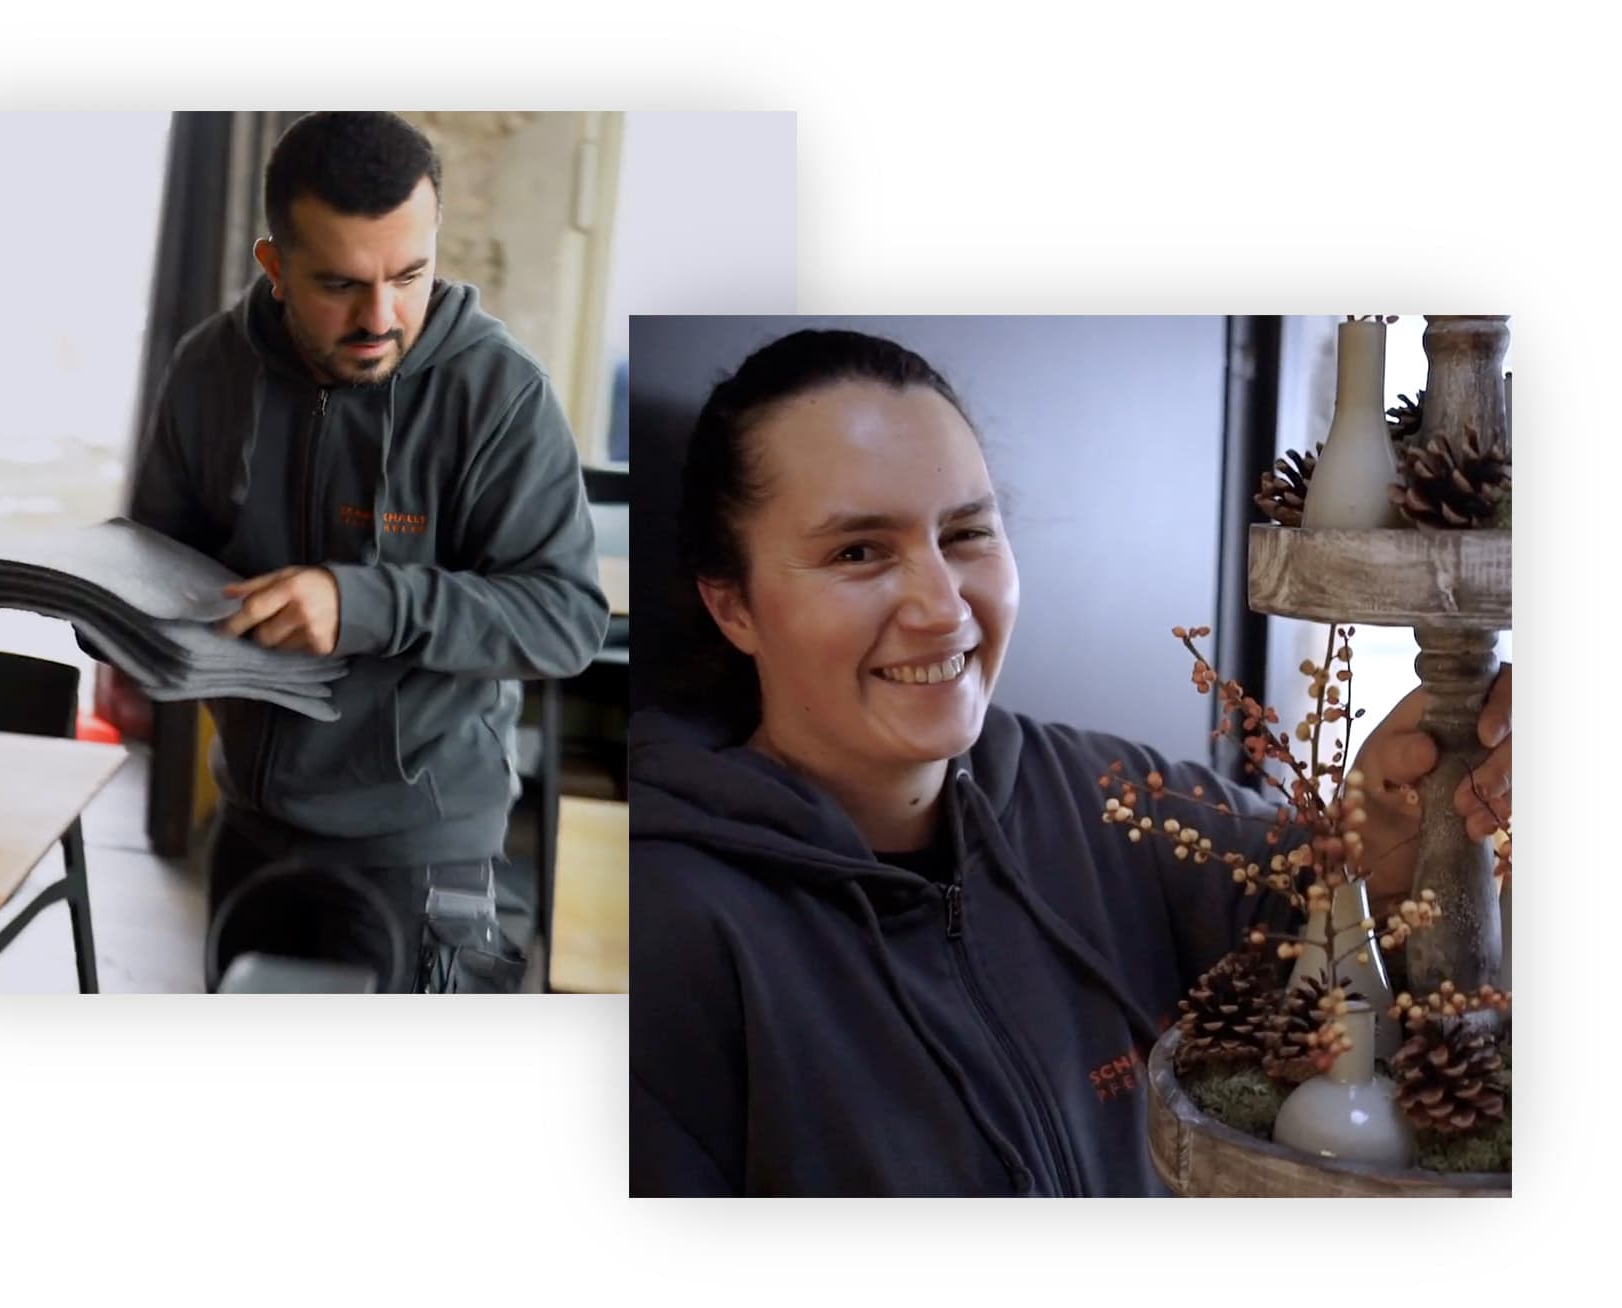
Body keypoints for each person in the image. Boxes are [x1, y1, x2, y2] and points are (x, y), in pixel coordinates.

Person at [627, 328, 1511, 1194]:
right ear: (733, 606)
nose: (942, 607)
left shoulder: (1114, 805)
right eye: (858, 553)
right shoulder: (671, 930)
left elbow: (1325, 913)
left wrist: (1402, 818)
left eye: (967, 533)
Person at [126, 112, 609, 990]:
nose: (381, 318)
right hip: (252, 827)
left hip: (425, 849)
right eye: (341, 284)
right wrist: (119, 620)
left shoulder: (499, 394)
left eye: (410, 275)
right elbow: (158, 553)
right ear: (274, 266)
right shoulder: (210, 370)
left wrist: (361, 604)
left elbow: (566, 620)